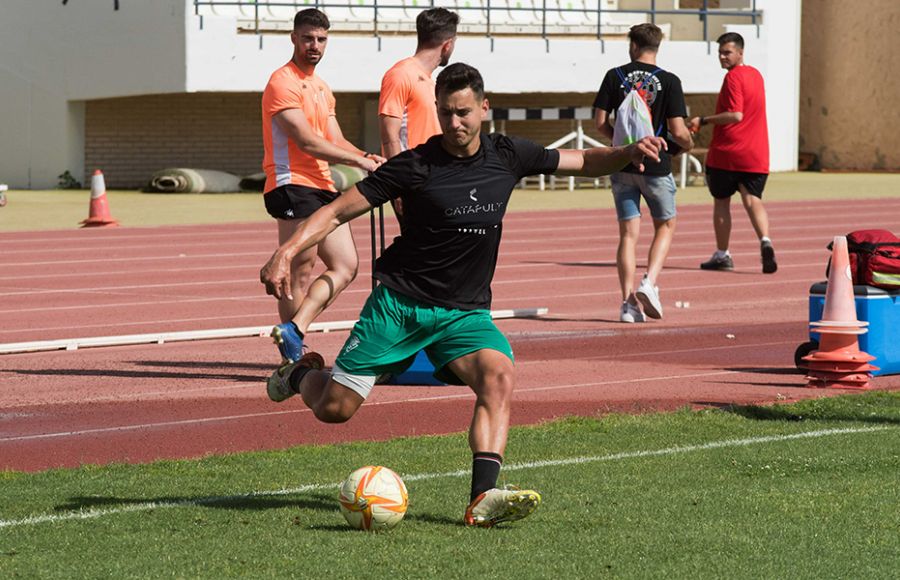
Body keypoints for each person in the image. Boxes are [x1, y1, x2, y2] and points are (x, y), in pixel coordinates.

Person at [260, 63, 665, 527]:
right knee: (335, 410)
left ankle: (482, 497)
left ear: (484, 108)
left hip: (464, 314)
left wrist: (629, 150)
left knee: (499, 376)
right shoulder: (415, 165)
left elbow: (585, 161)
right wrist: (288, 251)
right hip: (400, 307)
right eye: (447, 113)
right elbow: (334, 213)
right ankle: (297, 374)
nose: (455, 124)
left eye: (465, 113)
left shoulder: (508, 155)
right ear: (437, 110)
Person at [261, 9, 385, 364]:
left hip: (321, 184)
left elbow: (333, 138)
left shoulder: (320, 87)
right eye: (308, 38)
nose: (314, 45)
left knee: (346, 265)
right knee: (300, 271)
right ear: (294, 38)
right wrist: (358, 163)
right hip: (291, 183)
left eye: (321, 39)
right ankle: (293, 357)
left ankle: (294, 329)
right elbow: (306, 141)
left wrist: (367, 156)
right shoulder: (281, 82)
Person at [593, 23, 693, 324]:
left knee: (628, 234)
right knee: (666, 225)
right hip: (656, 166)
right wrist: (684, 145)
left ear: (633, 46)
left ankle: (627, 304)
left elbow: (599, 122)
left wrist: (622, 147)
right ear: (656, 47)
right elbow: (678, 131)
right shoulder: (670, 81)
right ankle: (649, 283)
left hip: (622, 164)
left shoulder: (614, 76)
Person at [688, 32, 777, 274]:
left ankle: (722, 254)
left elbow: (736, 115)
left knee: (721, 202)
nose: (722, 57)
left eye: (727, 52)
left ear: (740, 52)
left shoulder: (733, 78)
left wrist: (703, 119)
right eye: (720, 52)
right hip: (756, 154)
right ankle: (765, 240)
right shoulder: (756, 75)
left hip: (727, 152)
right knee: (752, 200)